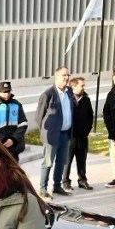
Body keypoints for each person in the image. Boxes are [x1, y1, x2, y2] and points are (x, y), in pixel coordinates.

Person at [35, 66, 75, 199]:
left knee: (61, 162)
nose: (67, 78)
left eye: (68, 75)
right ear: (56, 77)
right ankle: (43, 189)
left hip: (66, 134)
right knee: (47, 162)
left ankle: (57, 186)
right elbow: (39, 118)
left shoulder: (69, 91)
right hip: (52, 136)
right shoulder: (47, 95)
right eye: (64, 75)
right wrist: (45, 133)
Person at [0, 81, 28, 162]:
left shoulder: (17, 105)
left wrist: (13, 139)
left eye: (8, 91)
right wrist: (2, 139)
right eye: (4, 92)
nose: (7, 94)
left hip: (14, 147)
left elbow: (23, 124)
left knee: (14, 172)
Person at [64, 76, 94, 191]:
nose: (83, 87)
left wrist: (86, 130)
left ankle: (82, 180)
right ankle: (65, 182)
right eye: (82, 85)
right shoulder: (66, 99)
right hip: (69, 137)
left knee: (82, 160)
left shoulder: (86, 99)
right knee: (67, 160)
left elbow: (90, 116)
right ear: (73, 86)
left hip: (82, 137)